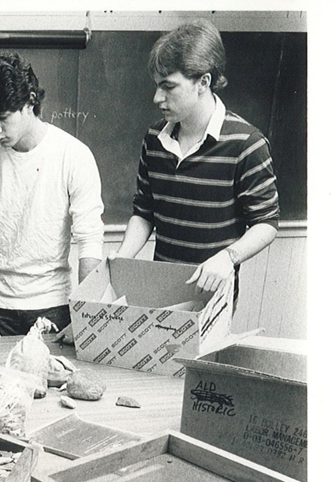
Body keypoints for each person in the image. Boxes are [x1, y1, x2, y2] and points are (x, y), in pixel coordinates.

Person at [115, 19, 279, 299]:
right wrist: (121, 259)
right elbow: (144, 212)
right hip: (160, 289)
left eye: (168, 87)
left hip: (212, 294)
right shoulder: (154, 139)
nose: (157, 97)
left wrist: (228, 257)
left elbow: (267, 222)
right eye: (157, 86)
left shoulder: (246, 144)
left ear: (203, 82)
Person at [0, 51, 104, 337]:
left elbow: (90, 242)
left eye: (2, 118)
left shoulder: (73, 155)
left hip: (54, 304)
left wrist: (85, 318)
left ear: (29, 102)